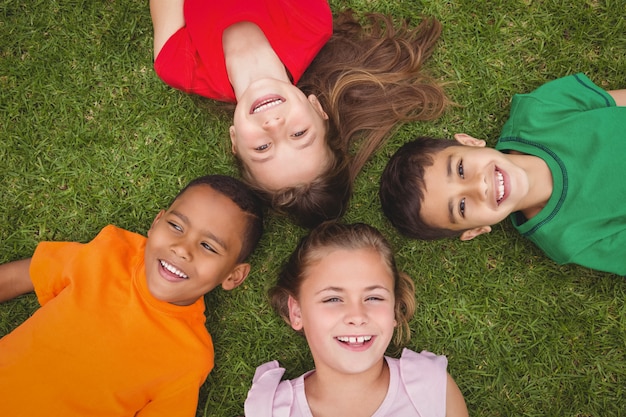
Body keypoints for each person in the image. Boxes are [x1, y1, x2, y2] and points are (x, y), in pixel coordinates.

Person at [150, 0, 449, 228]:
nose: (274, 125)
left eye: (263, 147)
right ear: (318, 109)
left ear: (234, 141)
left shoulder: (180, 67)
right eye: (298, 134)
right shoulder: (311, 23)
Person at [0, 175, 263, 416]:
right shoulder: (109, 253)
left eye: (208, 246)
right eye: (176, 226)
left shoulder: (190, 358)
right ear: (156, 222)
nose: (182, 249)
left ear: (233, 276)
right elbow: (20, 275)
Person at [379, 73, 626, 276]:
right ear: (475, 230)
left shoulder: (539, 110)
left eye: (461, 169)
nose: (479, 187)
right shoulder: (568, 239)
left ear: (470, 141)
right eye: (462, 207)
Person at [244, 222, 468, 416]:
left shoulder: (431, 388)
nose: (357, 316)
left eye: (373, 297)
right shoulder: (270, 410)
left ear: (394, 309)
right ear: (297, 312)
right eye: (332, 299)